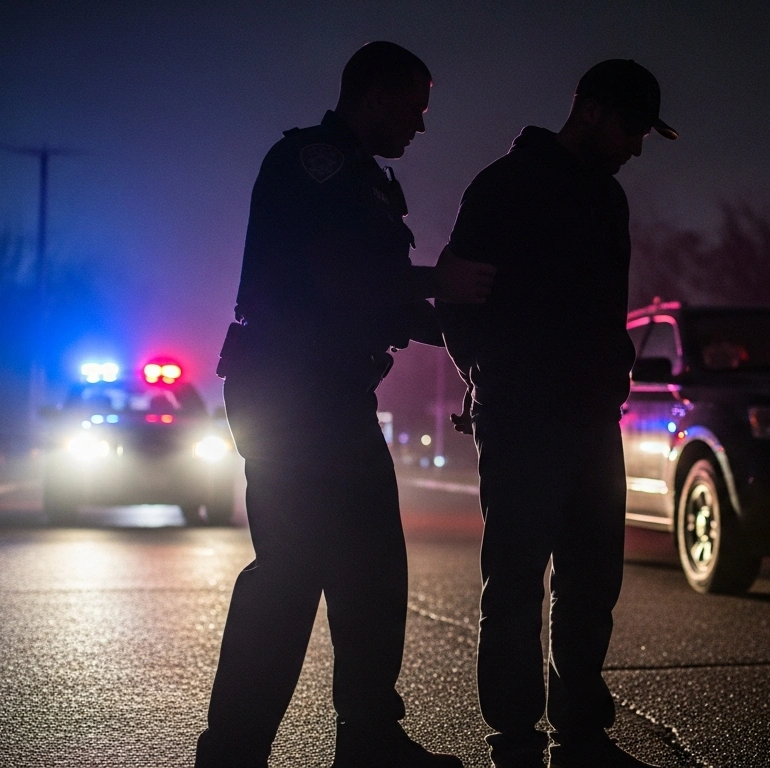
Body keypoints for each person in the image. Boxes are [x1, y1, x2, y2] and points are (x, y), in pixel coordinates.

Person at [196, 41, 493, 768]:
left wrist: (468, 324)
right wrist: (440, 285)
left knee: (372, 569)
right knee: (291, 574)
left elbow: (380, 299)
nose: (421, 128)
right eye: (415, 108)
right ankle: (233, 752)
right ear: (375, 95)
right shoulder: (313, 165)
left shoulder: (367, 181)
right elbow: (342, 281)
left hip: (331, 395)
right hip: (294, 395)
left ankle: (369, 738)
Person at [439, 59, 678, 768]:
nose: (637, 147)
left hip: (591, 417)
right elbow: (456, 299)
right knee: (516, 579)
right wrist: (488, 377)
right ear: (593, 110)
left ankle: (580, 720)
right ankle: (515, 733)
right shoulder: (504, 185)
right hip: (520, 416)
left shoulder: (608, 200)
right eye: (632, 128)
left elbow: (606, 311)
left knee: (592, 576)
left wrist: (610, 376)